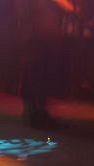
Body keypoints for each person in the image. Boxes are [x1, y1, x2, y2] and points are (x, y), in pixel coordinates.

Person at [14, 0, 76, 129]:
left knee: (32, 72)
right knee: (39, 73)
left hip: (32, 33)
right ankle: (37, 115)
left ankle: (33, 113)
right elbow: (68, 7)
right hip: (42, 34)